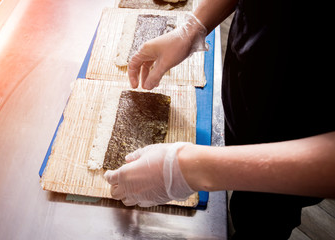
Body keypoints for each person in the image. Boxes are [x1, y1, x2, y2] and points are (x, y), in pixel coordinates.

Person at [104, 0, 335, 239]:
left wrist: (189, 169)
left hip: (301, 148)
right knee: (246, 204)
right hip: (249, 89)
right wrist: (191, 29)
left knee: (263, 221)